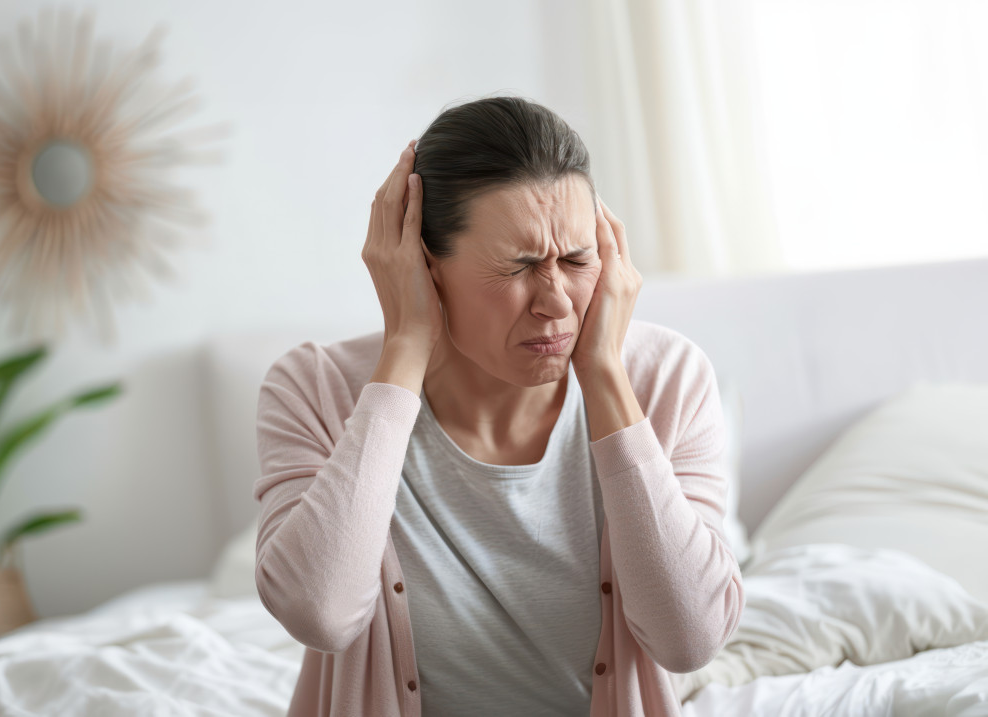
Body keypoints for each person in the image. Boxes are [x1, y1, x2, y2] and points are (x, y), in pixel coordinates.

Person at [253, 96, 744, 717]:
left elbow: (689, 640)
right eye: (518, 268)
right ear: (422, 267)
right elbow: (318, 612)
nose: (557, 303)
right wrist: (405, 345)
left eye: (576, 259)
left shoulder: (665, 377)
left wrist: (604, 376)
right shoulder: (313, 387)